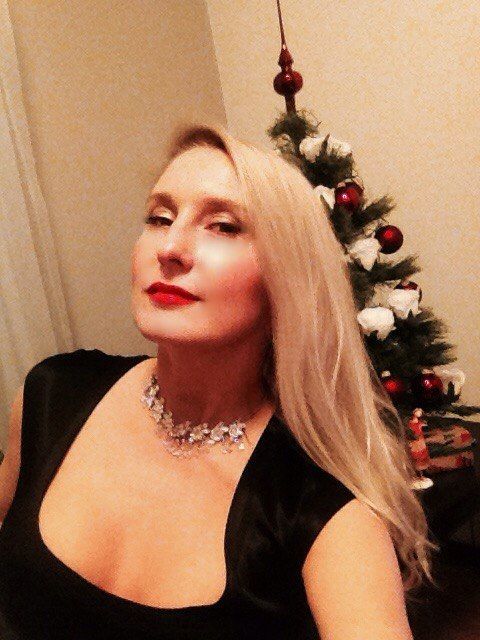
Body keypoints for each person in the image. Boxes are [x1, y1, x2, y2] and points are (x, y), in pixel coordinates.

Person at [0, 122, 438, 639]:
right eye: (159, 217)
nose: (171, 247)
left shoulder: (318, 506)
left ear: (288, 278)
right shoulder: (52, 394)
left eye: (224, 226)